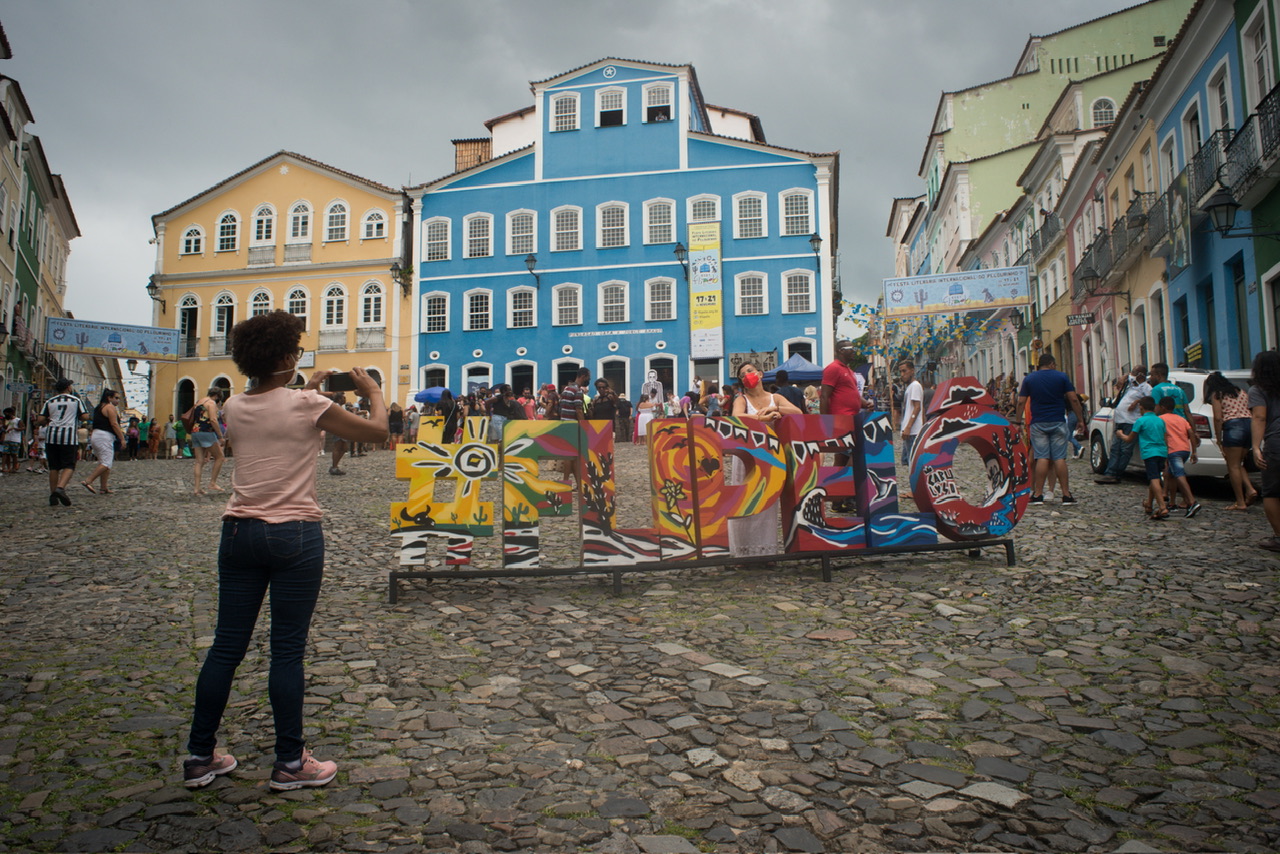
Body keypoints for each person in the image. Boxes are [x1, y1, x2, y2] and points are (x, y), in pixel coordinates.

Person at [183, 311, 388, 792]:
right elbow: (378, 431)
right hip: (295, 532)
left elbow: (279, 405)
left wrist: (307, 386)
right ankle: (290, 763)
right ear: (286, 356)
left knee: (226, 647)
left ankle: (199, 756)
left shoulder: (233, 405)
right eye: (294, 349)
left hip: (238, 531)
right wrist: (373, 390)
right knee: (286, 651)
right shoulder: (306, 404)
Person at [728, 362, 802, 557]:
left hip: (770, 455)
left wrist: (776, 411)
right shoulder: (741, 399)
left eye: (750, 371)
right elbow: (737, 416)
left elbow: (798, 412)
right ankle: (742, 551)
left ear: (760, 374)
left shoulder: (775, 397)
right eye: (742, 374)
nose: (747, 375)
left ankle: (765, 551)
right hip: (747, 455)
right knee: (745, 499)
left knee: (767, 503)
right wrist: (761, 419)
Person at [1016, 352, 1086, 505]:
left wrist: (1017, 422)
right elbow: (1073, 399)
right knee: (1059, 458)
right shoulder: (1061, 377)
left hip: (1038, 423)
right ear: (1052, 364)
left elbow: (1021, 402)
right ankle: (1066, 495)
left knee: (1041, 457)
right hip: (1058, 421)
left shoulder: (1029, 379)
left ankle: (1038, 495)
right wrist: (1080, 419)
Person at [821, 339, 864, 512]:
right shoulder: (833, 368)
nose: (853, 350)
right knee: (857, 457)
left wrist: (864, 403)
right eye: (849, 348)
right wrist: (825, 422)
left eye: (854, 347)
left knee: (841, 461)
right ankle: (846, 494)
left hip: (852, 419)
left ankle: (837, 500)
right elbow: (825, 396)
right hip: (841, 422)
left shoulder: (849, 371)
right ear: (840, 351)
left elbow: (851, 394)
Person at [1206, 371, 1259, 510]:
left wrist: (1218, 438)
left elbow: (1218, 417)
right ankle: (1250, 489)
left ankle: (1240, 502)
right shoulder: (1240, 391)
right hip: (1249, 426)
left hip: (1233, 426)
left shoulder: (1217, 394)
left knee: (1232, 465)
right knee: (1238, 463)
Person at [36, 378, 89, 507]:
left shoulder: (50, 401)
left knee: (53, 467)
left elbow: (41, 419)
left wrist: (51, 418)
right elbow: (85, 416)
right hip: (68, 437)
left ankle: (53, 495)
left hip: (51, 436)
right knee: (69, 465)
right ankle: (60, 488)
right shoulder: (76, 400)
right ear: (68, 388)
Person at [1116, 396, 1170, 520]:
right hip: (1162, 452)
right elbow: (1166, 437)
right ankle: (1149, 504)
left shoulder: (1141, 421)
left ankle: (1162, 506)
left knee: (1154, 479)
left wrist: (1120, 435)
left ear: (1141, 407)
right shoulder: (1160, 420)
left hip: (1149, 452)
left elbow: (1129, 439)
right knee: (1154, 477)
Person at [1095, 366, 1150, 484]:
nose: (1132, 374)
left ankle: (1117, 473)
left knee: (1125, 450)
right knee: (1115, 448)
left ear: (1140, 374)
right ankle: (1110, 473)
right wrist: (1125, 376)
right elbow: (1119, 382)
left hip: (1131, 422)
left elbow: (1151, 400)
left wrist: (1137, 401)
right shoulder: (1130, 384)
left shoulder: (1146, 387)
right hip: (1120, 420)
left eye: (1134, 372)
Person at [1249, 350, 1280, 551]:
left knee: (1272, 492)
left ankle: (1279, 537)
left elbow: (1259, 417)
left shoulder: (1258, 390)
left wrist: (1255, 447)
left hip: (1276, 442)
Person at [1157, 396, 1200, 517]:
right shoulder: (1181, 419)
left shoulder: (1161, 419)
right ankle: (1172, 502)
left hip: (1173, 450)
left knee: (1179, 475)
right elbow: (1191, 433)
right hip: (1184, 450)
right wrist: (1194, 451)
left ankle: (1191, 501)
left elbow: (1163, 436)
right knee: (1170, 475)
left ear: (1162, 407)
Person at [82, 389, 127, 493]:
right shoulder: (109, 407)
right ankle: (88, 480)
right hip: (104, 436)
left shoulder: (99, 408)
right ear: (109, 398)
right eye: (116, 398)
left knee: (104, 462)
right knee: (106, 462)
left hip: (96, 435)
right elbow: (114, 424)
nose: (117, 401)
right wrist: (122, 438)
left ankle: (103, 487)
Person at [190, 388, 228, 495]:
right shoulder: (211, 403)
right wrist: (220, 436)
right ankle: (212, 483)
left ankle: (197, 488)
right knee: (220, 457)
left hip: (195, 432)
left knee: (199, 461)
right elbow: (213, 420)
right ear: (216, 396)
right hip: (206, 432)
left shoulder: (199, 402)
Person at [897, 360, 925, 481]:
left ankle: (916, 489)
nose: (902, 374)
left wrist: (908, 427)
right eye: (900, 372)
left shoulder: (914, 386)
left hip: (912, 431)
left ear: (912, 371)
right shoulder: (910, 387)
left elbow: (917, 407)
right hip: (909, 430)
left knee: (913, 462)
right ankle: (915, 488)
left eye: (905, 371)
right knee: (908, 461)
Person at [1, 407, 23, 475]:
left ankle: (14, 467)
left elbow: (22, 428)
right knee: (5, 453)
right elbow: (4, 427)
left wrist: (15, 428)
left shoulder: (18, 420)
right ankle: (4, 467)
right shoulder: (6, 420)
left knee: (14, 454)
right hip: (7, 438)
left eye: (7, 413)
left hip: (15, 439)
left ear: (11, 413)